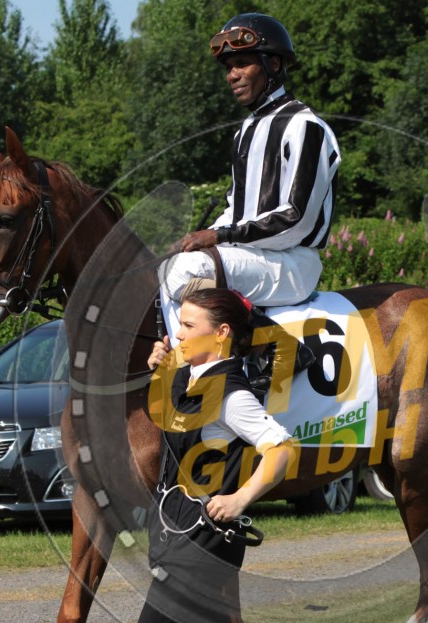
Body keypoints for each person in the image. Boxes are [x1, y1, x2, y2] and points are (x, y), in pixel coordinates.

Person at [63, 288, 355, 623]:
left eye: (188, 325)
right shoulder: (192, 375)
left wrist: (241, 497)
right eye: (178, 323)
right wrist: (161, 367)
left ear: (221, 334)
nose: (177, 332)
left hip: (202, 545)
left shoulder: (232, 395)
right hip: (175, 535)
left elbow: (281, 448)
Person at [157, 12, 341, 390]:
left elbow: (297, 219)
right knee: (165, 266)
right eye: (228, 67)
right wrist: (201, 236)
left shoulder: (305, 126)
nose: (232, 75)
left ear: (273, 65)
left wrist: (221, 237)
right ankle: (190, 363)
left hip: (293, 262)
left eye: (242, 63)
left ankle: (276, 349)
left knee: (185, 271)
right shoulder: (245, 131)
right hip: (255, 257)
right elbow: (235, 208)